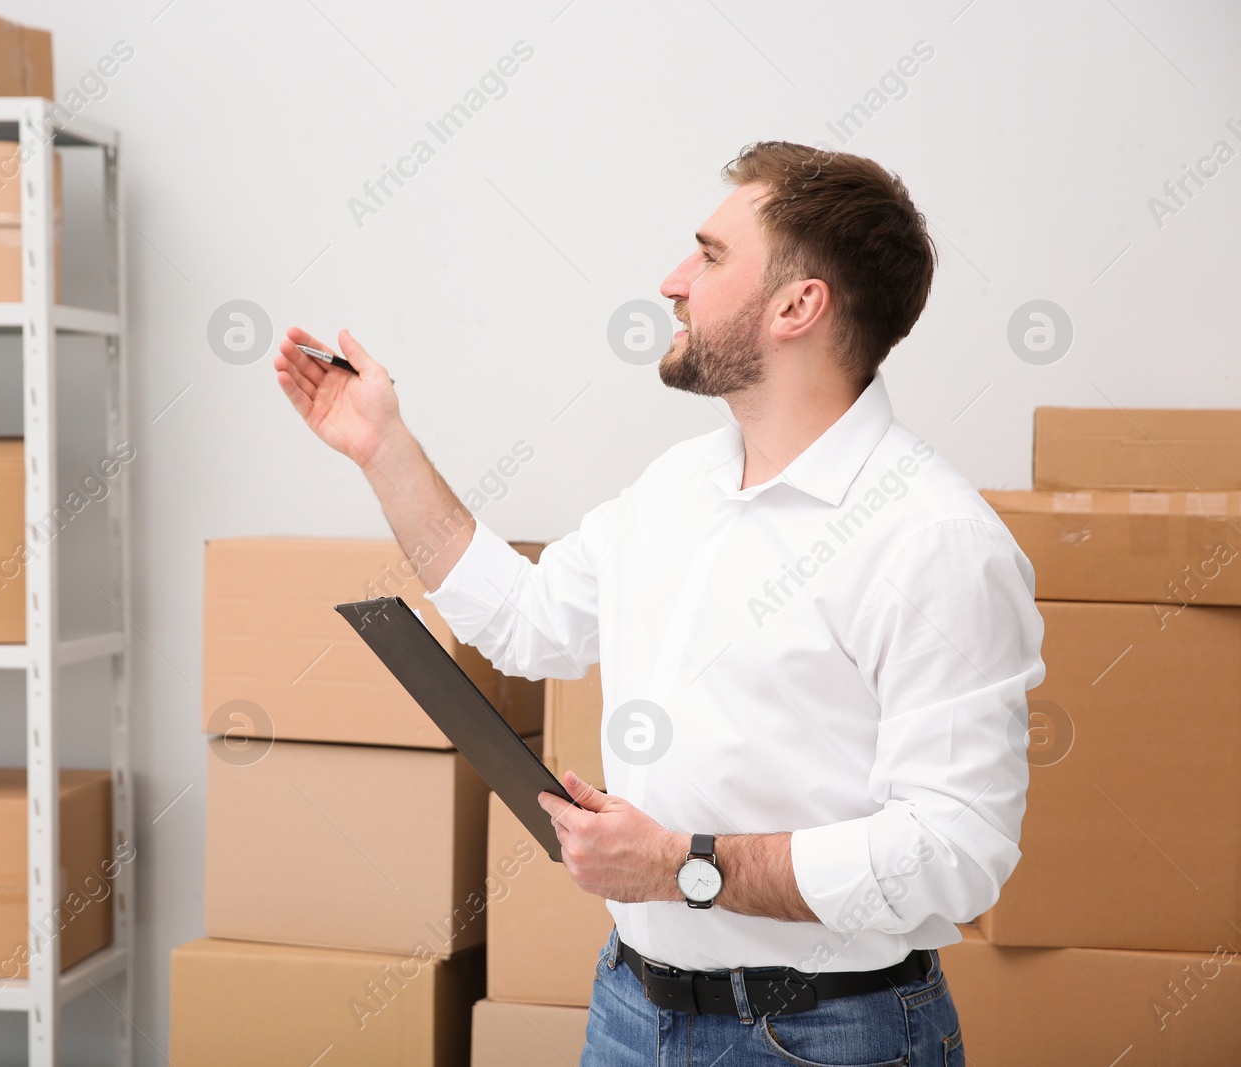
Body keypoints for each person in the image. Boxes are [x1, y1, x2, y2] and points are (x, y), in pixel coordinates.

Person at [274, 140, 1043, 1066]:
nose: (674, 281)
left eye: (712, 255)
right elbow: (527, 620)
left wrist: (686, 864)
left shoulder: (933, 539)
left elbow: (956, 850)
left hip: (827, 1034)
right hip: (633, 1007)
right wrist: (383, 449)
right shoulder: (680, 485)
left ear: (799, 306)